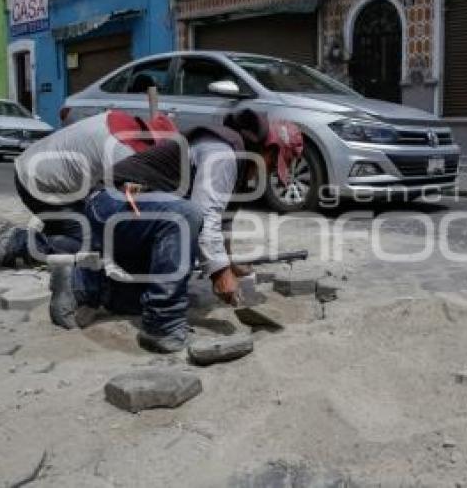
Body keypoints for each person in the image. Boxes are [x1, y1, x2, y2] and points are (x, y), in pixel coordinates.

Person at [56, 111, 304, 353]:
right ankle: (162, 327)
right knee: (187, 216)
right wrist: (219, 273)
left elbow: (222, 221)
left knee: (155, 291)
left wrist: (228, 264)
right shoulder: (223, 152)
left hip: (139, 218)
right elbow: (205, 214)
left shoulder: (239, 166)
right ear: (268, 149)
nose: (271, 173)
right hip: (113, 204)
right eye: (274, 164)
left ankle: (79, 284)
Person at [0, 110, 176, 275]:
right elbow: (123, 210)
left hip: (35, 169)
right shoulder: (123, 151)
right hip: (41, 185)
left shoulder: (118, 118)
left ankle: (54, 233)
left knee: (87, 222)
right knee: (93, 245)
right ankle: (19, 241)